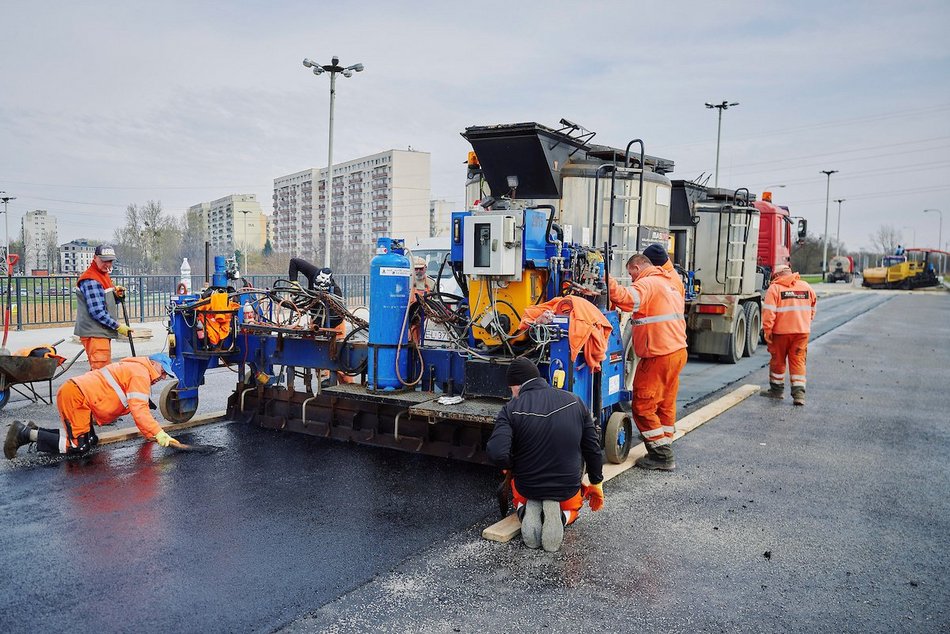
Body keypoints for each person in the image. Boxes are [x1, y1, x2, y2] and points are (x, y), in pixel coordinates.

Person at [486, 358, 605, 552]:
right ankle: (561, 517)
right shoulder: (574, 401)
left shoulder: (510, 409)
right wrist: (596, 482)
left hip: (528, 485)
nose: (512, 394)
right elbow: (592, 447)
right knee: (572, 506)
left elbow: (497, 452)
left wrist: (512, 465)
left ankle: (525, 511)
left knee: (521, 494)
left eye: (511, 389)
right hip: (566, 486)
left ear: (516, 385)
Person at [4, 353, 183, 459]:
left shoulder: (137, 370)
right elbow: (139, 411)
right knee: (77, 447)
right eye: (163, 371)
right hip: (77, 397)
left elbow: (138, 411)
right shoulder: (140, 374)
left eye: (166, 374)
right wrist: (159, 433)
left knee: (90, 441)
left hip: (80, 396)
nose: (163, 377)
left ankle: (37, 431)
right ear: (153, 364)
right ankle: (24, 433)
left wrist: (151, 435)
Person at [608, 253, 688, 471]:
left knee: (643, 405)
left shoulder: (647, 283)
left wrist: (606, 280)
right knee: (665, 403)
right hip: (677, 352)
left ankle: (662, 456)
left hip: (658, 354)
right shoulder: (668, 283)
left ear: (637, 267)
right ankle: (664, 443)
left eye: (630, 273)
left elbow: (626, 298)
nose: (632, 278)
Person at [760, 265, 817, 406]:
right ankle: (799, 395)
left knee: (778, 361)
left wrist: (767, 331)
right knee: (798, 361)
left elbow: (768, 313)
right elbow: (813, 307)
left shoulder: (775, 288)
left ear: (777, 275)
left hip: (780, 333)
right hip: (802, 332)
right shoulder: (806, 287)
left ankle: (777, 391)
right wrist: (804, 322)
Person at [74, 244, 131, 369]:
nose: (107, 264)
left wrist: (115, 295)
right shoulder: (91, 280)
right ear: (95, 258)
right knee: (102, 372)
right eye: (104, 261)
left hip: (99, 332)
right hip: (95, 333)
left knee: (98, 372)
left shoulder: (102, 275)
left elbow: (103, 301)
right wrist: (118, 326)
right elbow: (97, 311)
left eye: (110, 261)